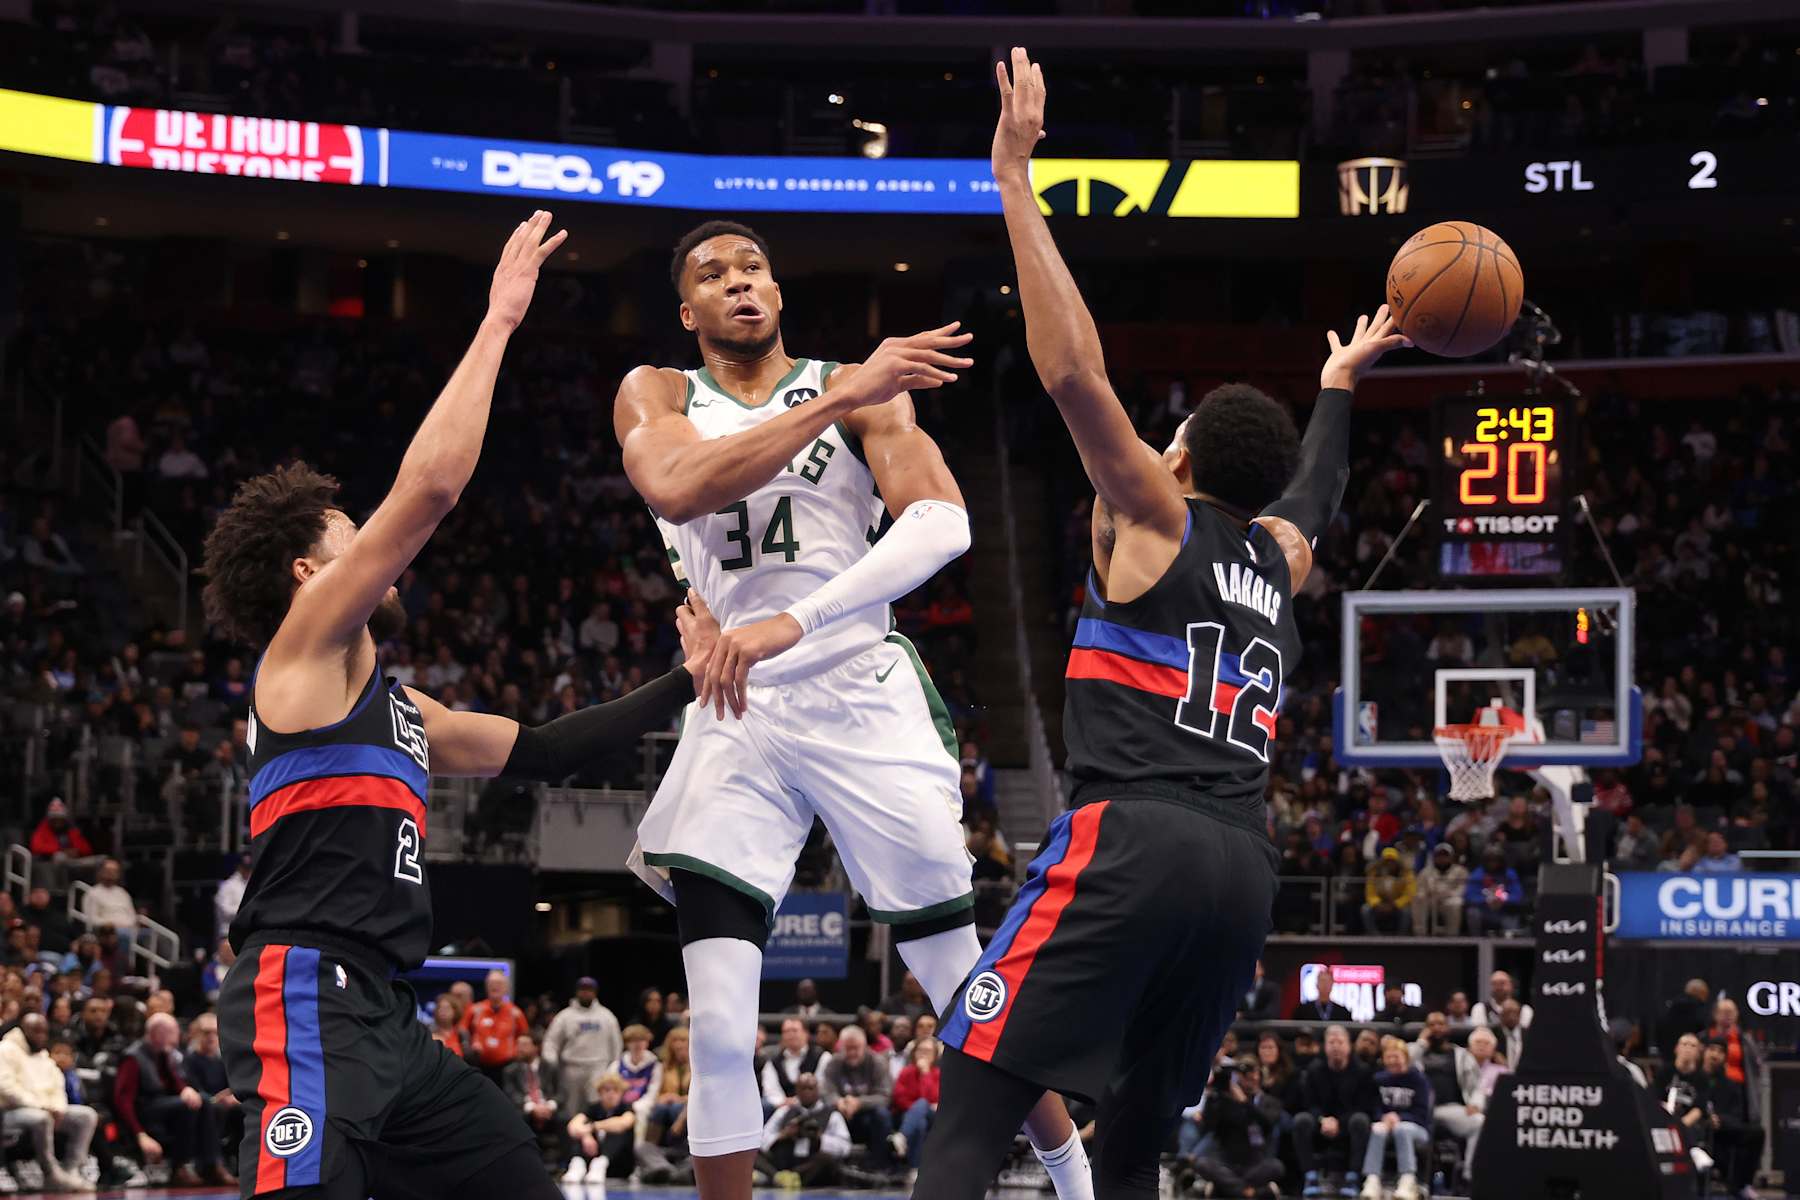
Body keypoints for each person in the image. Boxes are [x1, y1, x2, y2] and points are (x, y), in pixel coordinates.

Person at [919, 52, 1406, 1200]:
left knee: (975, 1091)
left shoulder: (1153, 513)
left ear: (1179, 458)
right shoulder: (1278, 565)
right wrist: (1339, 386)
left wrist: (1014, 180)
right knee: (1137, 1139)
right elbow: (1316, 500)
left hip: (1133, 839)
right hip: (1242, 868)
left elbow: (1072, 370)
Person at [201, 213, 718, 1200]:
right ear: (311, 571)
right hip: (304, 990)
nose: (378, 554)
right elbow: (432, 486)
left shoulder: (404, 712)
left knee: (510, 1171)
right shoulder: (298, 657)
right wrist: (497, 322)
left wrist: (694, 675)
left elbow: (555, 750)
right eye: (356, 538)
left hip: (391, 1018)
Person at [616, 207, 1083, 1199]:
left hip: (852, 686)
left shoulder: (854, 387)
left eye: (755, 266)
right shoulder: (660, 390)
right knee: (721, 1019)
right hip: (736, 713)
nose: (739, 280)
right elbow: (673, 486)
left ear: (778, 293)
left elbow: (944, 524)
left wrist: (796, 622)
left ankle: (1074, 1174)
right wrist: (833, 404)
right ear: (688, 306)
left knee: (959, 978)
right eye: (715, 273)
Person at [115, 1012, 231, 1187]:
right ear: (158, 1033)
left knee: (203, 1101)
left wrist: (186, 1089)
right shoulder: (133, 1058)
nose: (177, 1039)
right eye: (173, 1033)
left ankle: (212, 1164)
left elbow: (174, 1080)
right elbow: (122, 1101)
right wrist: (140, 1134)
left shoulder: (162, 1053)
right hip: (145, 1109)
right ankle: (179, 1167)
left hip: (164, 1104)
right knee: (187, 1106)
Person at [0, 1011, 98, 1190]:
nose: (41, 1036)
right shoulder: (6, 1049)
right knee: (41, 1118)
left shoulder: (43, 1055)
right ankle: (50, 1172)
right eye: (36, 1031)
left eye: (44, 1032)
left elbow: (57, 1085)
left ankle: (72, 1169)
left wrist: (58, 1108)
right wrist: (43, 1107)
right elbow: (6, 1088)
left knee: (87, 1116)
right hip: (11, 1112)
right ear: (24, 1030)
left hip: (48, 1110)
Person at [1293, 1027, 1377, 1198]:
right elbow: (1309, 1103)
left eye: (1340, 1042)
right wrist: (1322, 1119)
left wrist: (1339, 1122)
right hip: (1321, 1124)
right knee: (1301, 1120)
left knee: (1361, 1120)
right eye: (1331, 1042)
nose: (1336, 1047)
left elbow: (1364, 1106)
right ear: (1325, 1046)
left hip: (1349, 1124)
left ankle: (1353, 1177)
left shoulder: (1363, 1071)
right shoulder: (1314, 1070)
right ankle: (1310, 1176)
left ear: (1349, 1046)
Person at [1189, 1059, 1284, 1198]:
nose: (1248, 1080)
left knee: (1277, 1167)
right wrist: (1214, 1099)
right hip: (1226, 1162)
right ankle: (1250, 1192)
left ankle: (1226, 1188)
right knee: (1202, 1163)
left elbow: (1267, 1124)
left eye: (1251, 1076)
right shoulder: (1223, 1102)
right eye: (1243, 1076)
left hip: (1255, 1162)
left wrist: (1244, 1102)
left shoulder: (1270, 1102)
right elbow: (1208, 1127)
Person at [1410, 1012, 1483, 1178]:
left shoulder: (1461, 1055)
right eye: (1432, 1024)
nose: (1436, 1028)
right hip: (1419, 1111)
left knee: (1479, 1122)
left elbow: (1477, 1085)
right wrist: (1421, 1043)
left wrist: (1475, 1104)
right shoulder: (1414, 1051)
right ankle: (1410, 1179)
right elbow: (1402, 1066)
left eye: (1440, 1024)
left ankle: (1469, 1174)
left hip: (1449, 1109)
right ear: (1425, 1029)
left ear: (1447, 1028)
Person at [541, 976, 622, 1121]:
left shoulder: (607, 1017)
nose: (586, 993)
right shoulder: (565, 1016)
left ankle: (596, 1138)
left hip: (598, 1068)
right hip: (572, 1068)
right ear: (577, 992)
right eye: (582, 990)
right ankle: (571, 1141)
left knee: (596, 1106)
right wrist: (551, 1060)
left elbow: (616, 1045)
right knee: (571, 1109)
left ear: (595, 992)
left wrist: (613, 1068)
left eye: (589, 990)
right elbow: (550, 1041)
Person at [1360, 1038, 1432, 1200]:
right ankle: (1372, 1180)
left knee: (1402, 1128)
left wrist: (1399, 1117)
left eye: (1396, 1056)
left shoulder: (1418, 1080)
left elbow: (1422, 1113)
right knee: (1377, 1129)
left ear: (1405, 1057)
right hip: (1387, 1125)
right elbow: (1373, 1107)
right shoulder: (1379, 1079)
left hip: (1417, 1128)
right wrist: (1383, 1117)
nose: (1393, 1061)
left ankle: (1408, 1180)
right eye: (1389, 1057)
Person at [755, 1072, 850, 1190]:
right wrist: (783, 1135)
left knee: (827, 1160)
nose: (807, 1092)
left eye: (810, 1088)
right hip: (784, 1161)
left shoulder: (832, 1115)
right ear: (797, 1091)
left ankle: (789, 1178)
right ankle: (779, 1177)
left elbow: (845, 1147)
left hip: (810, 1164)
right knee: (754, 1154)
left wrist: (820, 1138)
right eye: (803, 1089)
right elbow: (761, 1139)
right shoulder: (784, 1111)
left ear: (817, 1090)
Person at [821, 1025, 898, 1168]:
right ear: (841, 1047)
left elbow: (885, 1096)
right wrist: (839, 1102)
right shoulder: (833, 1063)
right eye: (848, 1048)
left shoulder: (877, 1062)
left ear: (865, 1046)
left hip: (867, 1116)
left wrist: (858, 1103)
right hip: (841, 1114)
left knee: (882, 1115)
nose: (852, 1052)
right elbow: (826, 1092)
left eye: (856, 1048)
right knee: (824, 1112)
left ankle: (877, 1165)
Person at [1701, 1038, 1763, 1200]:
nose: (1715, 1054)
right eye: (1711, 1049)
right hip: (1696, 1127)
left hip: (1722, 1129)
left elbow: (1736, 1116)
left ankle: (1742, 1185)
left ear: (1725, 1057)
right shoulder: (1695, 1077)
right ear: (1704, 1052)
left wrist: (1719, 1120)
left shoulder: (1731, 1085)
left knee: (1756, 1133)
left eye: (1720, 1051)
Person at [186, 1013, 244, 1167]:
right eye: (206, 1033)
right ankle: (214, 1164)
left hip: (225, 1105)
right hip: (202, 1105)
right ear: (197, 1034)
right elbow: (194, 1088)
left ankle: (242, 1163)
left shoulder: (222, 1061)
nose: (211, 1037)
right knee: (212, 1109)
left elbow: (233, 1086)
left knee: (243, 1110)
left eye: (215, 1033)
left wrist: (233, 1097)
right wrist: (217, 1099)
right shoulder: (190, 1060)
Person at [562, 1072, 636, 1185]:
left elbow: (624, 1123)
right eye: (606, 1090)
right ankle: (577, 1164)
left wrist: (593, 1127)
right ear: (600, 1092)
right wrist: (586, 1136)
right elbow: (573, 1126)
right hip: (591, 1157)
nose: (611, 1094)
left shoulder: (627, 1108)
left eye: (615, 1090)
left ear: (621, 1093)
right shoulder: (592, 1108)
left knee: (615, 1128)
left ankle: (600, 1163)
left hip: (618, 1163)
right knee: (581, 1129)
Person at [461, 970, 529, 1086]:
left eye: (498, 983)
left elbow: (524, 1036)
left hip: (507, 1068)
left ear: (506, 988)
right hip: (480, 1066)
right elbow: (462, 1031)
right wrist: (469, 1045)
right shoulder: (475, 1010)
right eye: (491, 983)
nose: (494, 986)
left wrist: (518, 1052)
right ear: (486, 987)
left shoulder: (515, 1013)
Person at [1705, 997, 1763, 1123]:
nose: (1728, 1016)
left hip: (1738, 1090)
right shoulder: (1705, 1037)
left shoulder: (1745, 1040)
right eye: (1724, 1012)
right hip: (1711, 1086)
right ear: (1715, 1014)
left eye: (1731, 1012)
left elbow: (1756, 1064)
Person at [760, 1017, 831, 1115]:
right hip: (782, 1109)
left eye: (794, 1031)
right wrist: (783, 1102)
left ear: (806, 1033)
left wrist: (798, 1101)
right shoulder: (773, 1062)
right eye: (786, 1031)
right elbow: (770, 1091)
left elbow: (822, 1087)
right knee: (764, 1105)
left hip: (814, 1107)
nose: (790, 1035)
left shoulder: (822, 1057)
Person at [501, 1034, 558, 1154]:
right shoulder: (510, 1070)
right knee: (518, 1118)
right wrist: (532, 1107)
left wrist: (550, 1106)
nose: (520, 1049)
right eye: (518, 1045)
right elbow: (510, 1094)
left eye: (525, 1045)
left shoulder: (550, 1067)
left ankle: (566, 1163)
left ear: (536, 1048)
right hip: (525, 1107)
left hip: (547, 1106)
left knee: (565, 1118)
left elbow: (562, 1092)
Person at [891, 1036, 942, 1167]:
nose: (924, 1054)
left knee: (923, 1104)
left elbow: (935, 1098)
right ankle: (914, 1168)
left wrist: (925, 1073)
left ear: (935, 1055)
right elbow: (899, 1098)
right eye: (921, 1050)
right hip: (907, 1114)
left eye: (928, 1051)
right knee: (920, 1123)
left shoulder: (938, 1074)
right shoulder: (906, 1072)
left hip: (934, 1117)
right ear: (914, 1053)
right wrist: (916, 1111)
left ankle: (902, 1136)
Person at [1463, 849, 1524, 935]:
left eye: (1495, 860)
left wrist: (1502, 899)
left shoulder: (1509, 874)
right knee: (1472, 912)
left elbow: (1518, 896)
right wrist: (1487, 900)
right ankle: (1475, 939)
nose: (1492, 863)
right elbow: (1469, 896)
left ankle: (1510, 944)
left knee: (1513, 912)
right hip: (1484, 911)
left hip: (1504, 910)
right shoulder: (1477, 874)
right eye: (1489, 860)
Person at [1412, 843, 1467, 935]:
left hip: (1449, 899)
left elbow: (1462, 888)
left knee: (1455, 903)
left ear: (1451, 857)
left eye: (1445, 855)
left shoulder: (1460, 871)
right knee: (1418, 898)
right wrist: (1428, 894)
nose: (1442, 858)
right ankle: (1420, 934)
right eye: (1439, 855)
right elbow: (1420, 888)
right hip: (1431, 899)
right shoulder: (1426, 872)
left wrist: (1448, 894)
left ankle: (1452, 936)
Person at [1362, 847, 1415, 933]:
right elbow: (1369, 894)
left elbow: (1409, 894)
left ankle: (1400, 940)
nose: (1389, 864)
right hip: (1380, 904)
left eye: (1392, 861)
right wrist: (1377, 904)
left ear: (1397, 862)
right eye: (1387, 861)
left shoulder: (1406, 874)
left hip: (1398, 904)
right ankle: (1375, 938)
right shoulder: (1374, 873)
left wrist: (1395, 904)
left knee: (1406, 911)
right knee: (1365, 909)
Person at [82, 859, 138, 938]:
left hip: (128, 928)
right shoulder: (93, 893)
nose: (111, 873)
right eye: (108, 870)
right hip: (108, 931)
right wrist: (110, 924)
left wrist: (128, 924)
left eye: (114, 871)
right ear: (100, 872)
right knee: (123, 935)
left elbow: (132, 916)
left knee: (153, 934)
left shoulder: (123, 893)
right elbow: (91, 919)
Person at [29, 798, 95, 862]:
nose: (57, 822)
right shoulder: (42, 830)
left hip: (74, 863)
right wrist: (61, 850)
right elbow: (36, 847)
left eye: (60, 819)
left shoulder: (72, 831)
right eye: (54, 819)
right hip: (51, 865)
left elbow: (87, 848)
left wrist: (77, 851)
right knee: (60, 857)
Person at [613, 1024, 661, 1105]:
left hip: (645, 1106)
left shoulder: (655, 1065)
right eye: (633, 1040)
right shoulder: (617, 1065)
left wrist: (638, 1107)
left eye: (641, 1040)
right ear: (627, 1043)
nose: (637, 1044)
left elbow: (653, 1092)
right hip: (620, 1106)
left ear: (647, 1043)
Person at [1470, 971, 1534, 1029]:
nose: (1498, 987)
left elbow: (1526, 1033)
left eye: (1502, 983)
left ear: (1511, 985)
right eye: (1494, 984)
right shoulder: (1480, 1008)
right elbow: (1478, 1032)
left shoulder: (1525, 1010)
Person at [213, 854, 252, 942]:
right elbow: (225, 910)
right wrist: (245, 911)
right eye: (245, 868)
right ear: (239, 868)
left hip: (247, 933)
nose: (247, 871)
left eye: (249, 868)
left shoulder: (251, 885)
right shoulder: (227, 886)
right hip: (228, 933)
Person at [1492, 1000, 1527, 1068]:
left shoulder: (1528, 1034)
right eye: (1507, 1013)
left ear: (1520, 1015)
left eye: (1515, 1013)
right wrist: (1493, 1054)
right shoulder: (1493, 1033)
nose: (1511, 1017)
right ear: (1500, 1015)